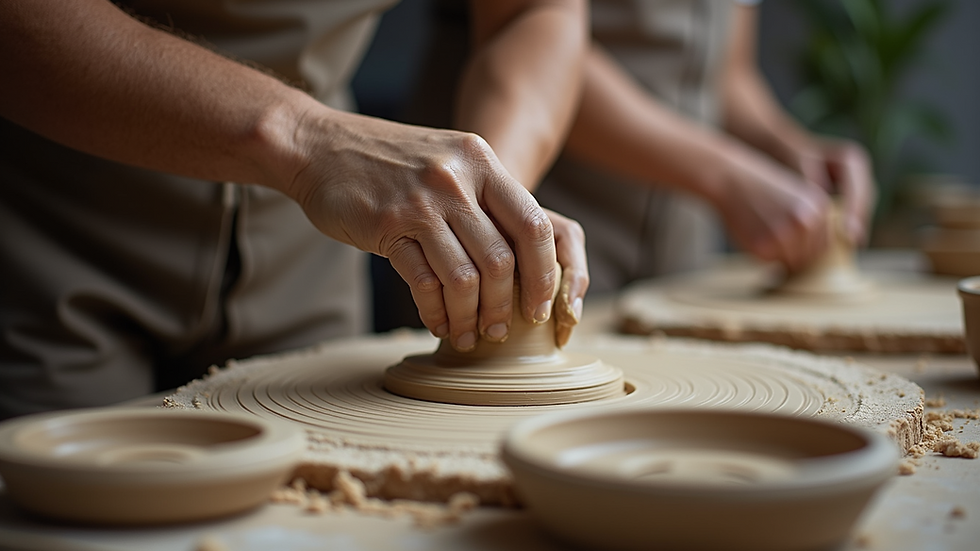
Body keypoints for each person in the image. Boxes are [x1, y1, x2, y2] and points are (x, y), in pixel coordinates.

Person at [0, 0, 590, 419]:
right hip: (54, 235)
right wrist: (306, 140)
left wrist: (486, 199)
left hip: (311, 246)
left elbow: (532, 13)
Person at [535, 0, 875, 293]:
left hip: (684, 254)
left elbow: (730, 75)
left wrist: (789, 148)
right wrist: (726, 174)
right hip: (573, 230)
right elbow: (537, 52)